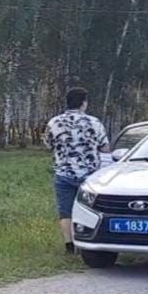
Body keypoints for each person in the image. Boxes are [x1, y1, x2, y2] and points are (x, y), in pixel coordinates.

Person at [43, 86, 109, 254]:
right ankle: (89, 242)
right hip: (90, 176)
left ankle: (69, 246)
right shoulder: (94, 122)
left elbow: (48, 145)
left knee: (65, 210)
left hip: (63, 173)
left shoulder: (54, 122)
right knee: (91, 209)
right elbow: (105, 148)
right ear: (83, 103)